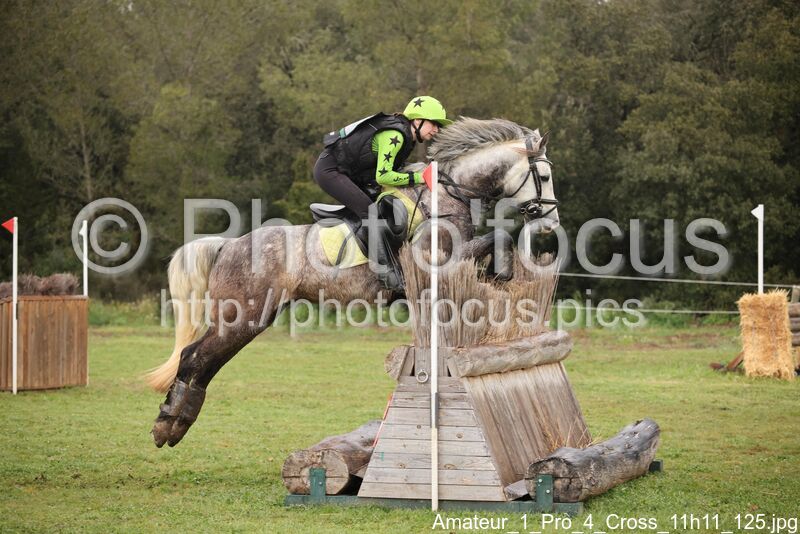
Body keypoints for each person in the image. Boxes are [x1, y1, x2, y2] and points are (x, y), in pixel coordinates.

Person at [313, 96, 453, 290]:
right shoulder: (396, 136)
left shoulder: (406, 137)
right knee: (369, 211)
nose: (436, 130)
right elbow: (384, 176)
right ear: (418, 120)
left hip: (349, 172)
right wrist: (419, 177)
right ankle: (385, 272)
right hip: (330, 171)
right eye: (434, 123)